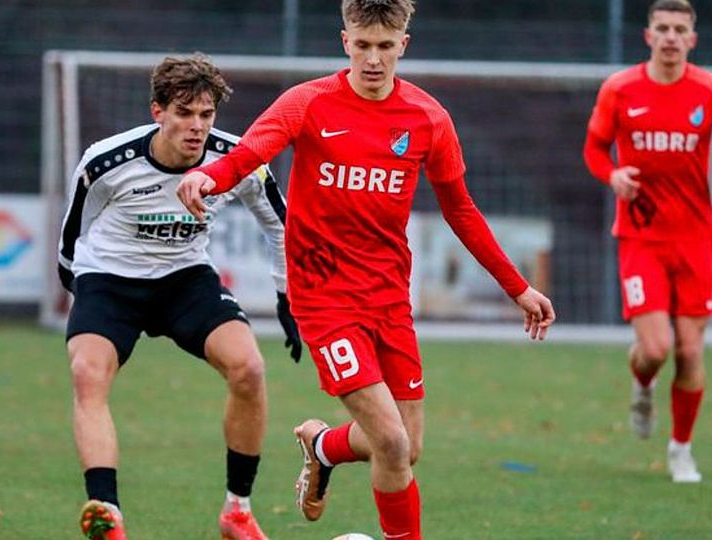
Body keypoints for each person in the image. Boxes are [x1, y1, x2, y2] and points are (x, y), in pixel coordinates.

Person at [177, 1, 555, 537]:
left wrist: (517, 287)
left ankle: (323, 446)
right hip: (323, 297)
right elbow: (254, 150)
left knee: (407, 446)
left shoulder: (428, 119)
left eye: (384, 46)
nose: (373, 59)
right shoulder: (308, 102)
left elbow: (461, 210)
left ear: (404, 45)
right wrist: (209, 177)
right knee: (391, 441)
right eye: (362, 45)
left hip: (389, 297)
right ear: (345, 42)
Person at [58, 54, 301, 540]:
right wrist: (81, 295)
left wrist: (286, 297)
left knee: (249, 369)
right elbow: (72, 235)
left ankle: (237, 511)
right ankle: (107, 514)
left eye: (206, 115)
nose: (197, 127)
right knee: (88, 373)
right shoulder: (106, 161)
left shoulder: (238, 159)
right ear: (158, 111)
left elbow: (282, 226)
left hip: (184, 278)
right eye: (184, 113)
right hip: (110, 280)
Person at [583, 0, 712, 483]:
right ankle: (642, 383)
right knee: (657, 348)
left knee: (690, 350)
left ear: (692, 40)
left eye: (680, 30)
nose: (670, 37)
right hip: (640, 237)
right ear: (648, 36)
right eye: (662, 28)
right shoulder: (620, 89)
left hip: (695, 240)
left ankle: (681, 450)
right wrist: (612, 174)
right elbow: (594, 148)